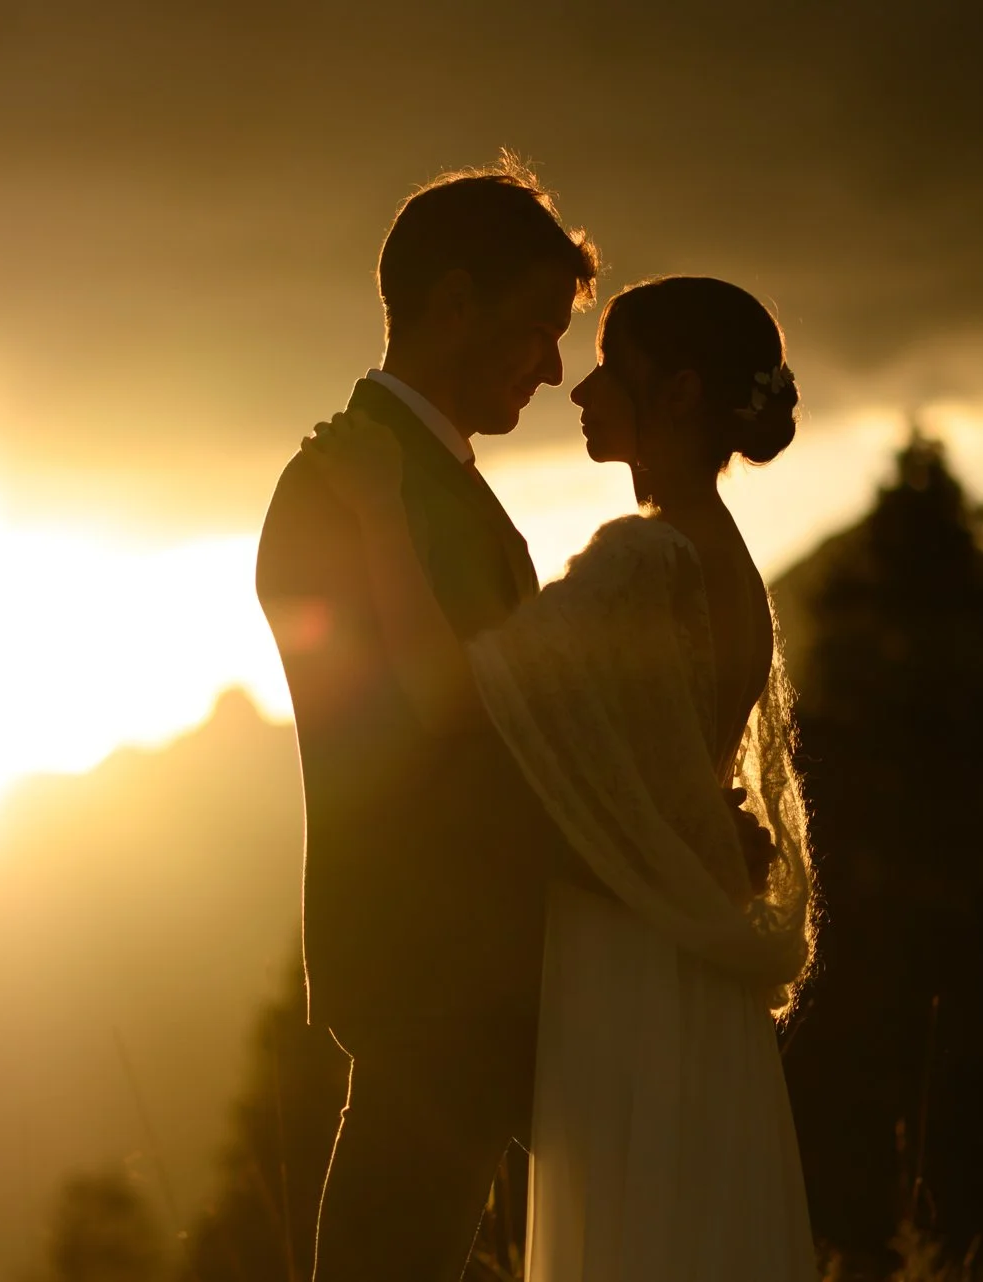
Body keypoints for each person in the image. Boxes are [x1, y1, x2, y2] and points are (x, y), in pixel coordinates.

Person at [304, 274, 818, 1280]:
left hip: (622, 957)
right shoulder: (729, 565)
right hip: (683, 964)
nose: (577, 393)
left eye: (607, 373)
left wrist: (376, 514)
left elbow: (453, 699)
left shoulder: (646, 564)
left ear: (674, 395)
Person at [254, 157, 601, 1282]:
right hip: (434, 967)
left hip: (468, 968)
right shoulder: (357, 485)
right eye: (540, 328)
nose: (555, 369)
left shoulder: (429, 478)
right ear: (454, 303)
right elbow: (448, 721)